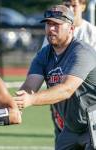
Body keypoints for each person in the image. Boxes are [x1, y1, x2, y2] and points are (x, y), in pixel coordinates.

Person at [15, 4, 96, 150]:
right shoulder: (44, 54)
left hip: (94, 124)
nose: (51, 29)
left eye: (56, 24)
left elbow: (66, 89)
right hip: (71, 128)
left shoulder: (82, 52)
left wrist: (31, 100)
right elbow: (29, 86)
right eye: (48, 24)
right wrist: (15, 102)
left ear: (71, 28)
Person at [41, 0, 96, 142]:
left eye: (74, 5)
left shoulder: (92, 33)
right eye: (67, 4)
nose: (70, 8)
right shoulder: (53, 35)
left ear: (83, 6)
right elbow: (47, 64)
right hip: (62, 102)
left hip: (87, 102)